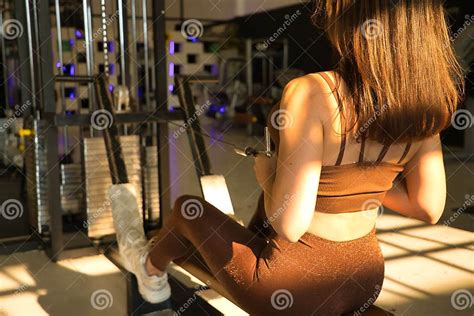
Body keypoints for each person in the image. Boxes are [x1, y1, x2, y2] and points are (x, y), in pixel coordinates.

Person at [111, 0, 464, 314]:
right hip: (365, 279)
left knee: (187, 208)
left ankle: (149, 271)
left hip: (293, 288)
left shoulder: (312, 92)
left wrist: (268, 171)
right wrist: (352, 189)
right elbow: (428, 208)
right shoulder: (428, 104)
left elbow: (290, 225)